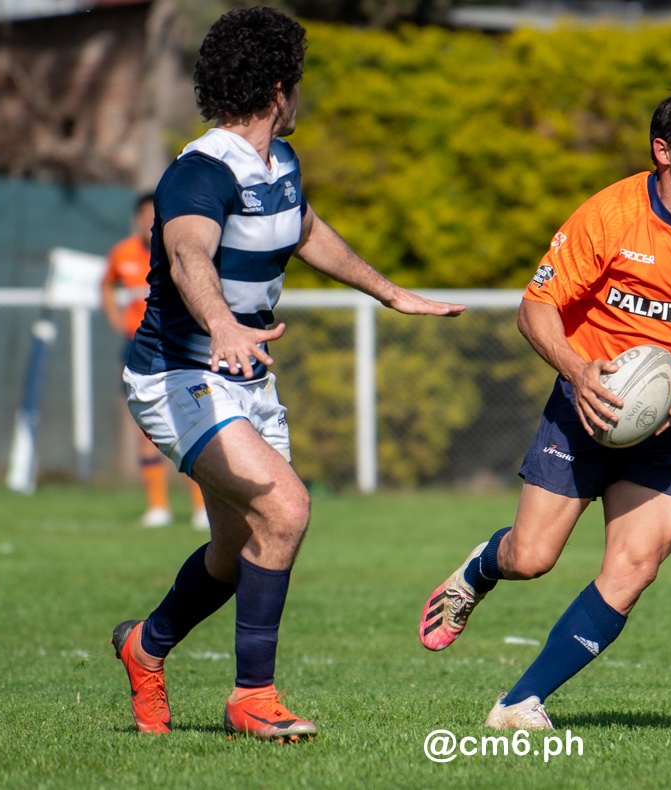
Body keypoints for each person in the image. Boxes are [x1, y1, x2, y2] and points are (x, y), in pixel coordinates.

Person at [111, 6, 465, 742]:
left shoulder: (281, 164)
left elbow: (304, 230)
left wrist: (391, 292)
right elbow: (188, 256)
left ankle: (144, 647)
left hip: (244, 377)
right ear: (280, 89)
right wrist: (221, 323)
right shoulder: (198, 173)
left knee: (237, 551)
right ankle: (252, 698)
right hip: (180, 373)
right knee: (287, 509)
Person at [419, 88, 671, 729]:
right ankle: (480, 568)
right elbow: (535, 308)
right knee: (531, 558)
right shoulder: (612, 213)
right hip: (587, 406)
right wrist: (578, 372)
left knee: (635, 564)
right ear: (662, 150)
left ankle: (518, 703)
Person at [101, 192, 209, 530]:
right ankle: (158, 507)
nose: (150, 223)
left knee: (192, 423)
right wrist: (117, 321)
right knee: (144, 429)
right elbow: (106, 285)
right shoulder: (123, 253)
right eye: (144, 215)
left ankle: (202, 509)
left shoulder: (178, 250)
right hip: (138, 348)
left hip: (178, 348)